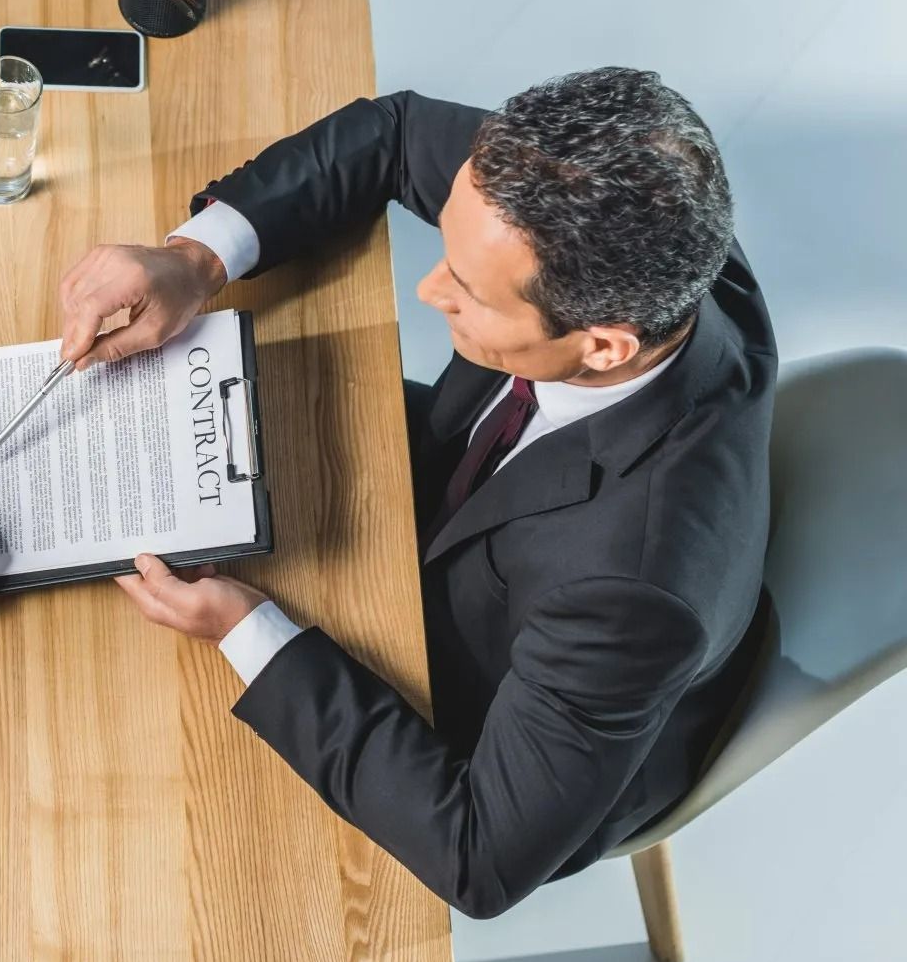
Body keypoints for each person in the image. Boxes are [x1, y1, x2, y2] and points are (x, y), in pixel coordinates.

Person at [57, 68, 774, 918]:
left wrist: (244, 627)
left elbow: (478, 856)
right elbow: (397, 132)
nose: (431, 291)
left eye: (466, 293)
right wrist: (194, 260)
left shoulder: (629, 597)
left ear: (605, 347)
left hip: (497, 706)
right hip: (468, 496)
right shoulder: (646, 220)